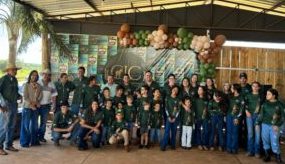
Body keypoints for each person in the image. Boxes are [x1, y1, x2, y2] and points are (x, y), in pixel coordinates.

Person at [257, 89, 284, 163]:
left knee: (274, 141)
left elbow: (283, 117)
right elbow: (261, 115)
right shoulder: (265, 104)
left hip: (274, 126)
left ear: (274, 96)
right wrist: (257, 123)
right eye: (266, 94)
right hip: (265, 124)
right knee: (265, 140)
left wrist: (277, 125)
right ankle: (267, 156)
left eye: (269, 94)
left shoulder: (280, 104)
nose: (266, 95)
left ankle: (278, 157)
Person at [0, 63, 22, 155]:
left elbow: (14, 92)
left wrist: (19, 96)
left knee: (12, 126)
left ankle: (8, 145)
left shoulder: (15, 80)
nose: (15, 71)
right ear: (8, 71)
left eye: (15, 69)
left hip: (14, 104)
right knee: (4, 127)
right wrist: (1, 106)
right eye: (13, 70)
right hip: (6, 105)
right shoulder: (4, 79)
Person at [20, 70, 43, 147]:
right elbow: (25, 96)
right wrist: (31, 105)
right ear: (30, 76)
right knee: (25, 125)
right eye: (33, 75)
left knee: (35, 125)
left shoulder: (39, 86)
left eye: (36, 75)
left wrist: (35, 103)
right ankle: (25, 142)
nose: (34, 76)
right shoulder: (26, 85)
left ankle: (34, 141)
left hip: (36, 107)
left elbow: (40, 96)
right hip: (27, 107)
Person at [38, 69, 58, 142]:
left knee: (43, 123)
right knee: (34, 123)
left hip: (46, 106)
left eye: (48, 75)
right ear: (42, 75)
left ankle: (41, 137)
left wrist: (54, 105)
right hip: (37, 105)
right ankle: (34, 137)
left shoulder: (52, 84)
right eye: (45, 74)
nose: (46, 76)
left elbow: (54, 96)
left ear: (50, 76)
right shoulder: (38, 82)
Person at [244, 82, 263, 158]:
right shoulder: (248, 95)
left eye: (256, 86)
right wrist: (246, 111)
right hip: (249, 116)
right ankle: (250, 151)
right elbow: (245, 104)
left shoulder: (262, 96)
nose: (255, 87)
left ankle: (257, 152)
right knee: (250, 134)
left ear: (259, 87)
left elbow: (263, 106)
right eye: (253, 86)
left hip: (258, 116)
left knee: (258, 135)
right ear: (251, 87)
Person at [161, 85, 181, 151]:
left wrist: (175, 117)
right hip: (168, 118)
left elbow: (178, 109)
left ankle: (173, 145)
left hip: (175, 118)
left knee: (174, 132)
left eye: (176, 90)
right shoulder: (167, 97)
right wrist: (168, 116)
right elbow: (166, 107)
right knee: (166, 131)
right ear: (172, 89)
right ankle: (163, 145)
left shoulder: (178, 99)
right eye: (174, 89)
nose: (175, 91)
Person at [226, 84, 245, 154]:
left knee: (235, 132)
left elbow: (242, 109)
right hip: (229, 116)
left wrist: (238, 117)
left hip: (236, 117)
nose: (231, 89)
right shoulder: (229, 96)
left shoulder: (241, 98)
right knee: (229, 132)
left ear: (235, 89)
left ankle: (234, 149)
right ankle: (228, 148)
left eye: (232, 87)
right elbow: (226, 106)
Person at [194, 86, 209, 151]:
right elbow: (194, 109)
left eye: (200, 89)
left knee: (206, 131)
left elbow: (208, 109)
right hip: (198, 117)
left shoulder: (207, 99)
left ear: (203, 91)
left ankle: (204, 144)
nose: (199, 91)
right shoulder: (196, 99)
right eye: (198, 89)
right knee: (198, 130)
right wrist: (194, 117)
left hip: (205, 118)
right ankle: (199, 144)